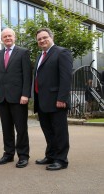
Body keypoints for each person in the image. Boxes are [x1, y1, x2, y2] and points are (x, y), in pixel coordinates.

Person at [0, 28, 32, 168]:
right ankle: (8, 154)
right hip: (2, 97)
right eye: (4, 36)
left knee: (21, 128)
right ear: (2, 39)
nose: (7, 38)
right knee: (6, 128)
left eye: (10, 36)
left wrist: (25, 94)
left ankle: (23, 156)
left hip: (19, 98)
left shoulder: (23, 52)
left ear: (14, 37)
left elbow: (27, 76)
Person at [33, 27, 73, 171]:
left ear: (51, 37)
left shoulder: (62, 52)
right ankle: (50, 155)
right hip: (42, 100)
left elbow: (66, 77)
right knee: (48, 131)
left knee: (59, 131)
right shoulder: (40, 55)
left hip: (57, 100)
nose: (42, 40)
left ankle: (61, 160)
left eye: (45, 37)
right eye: (39, 39)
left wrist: (62, 98)